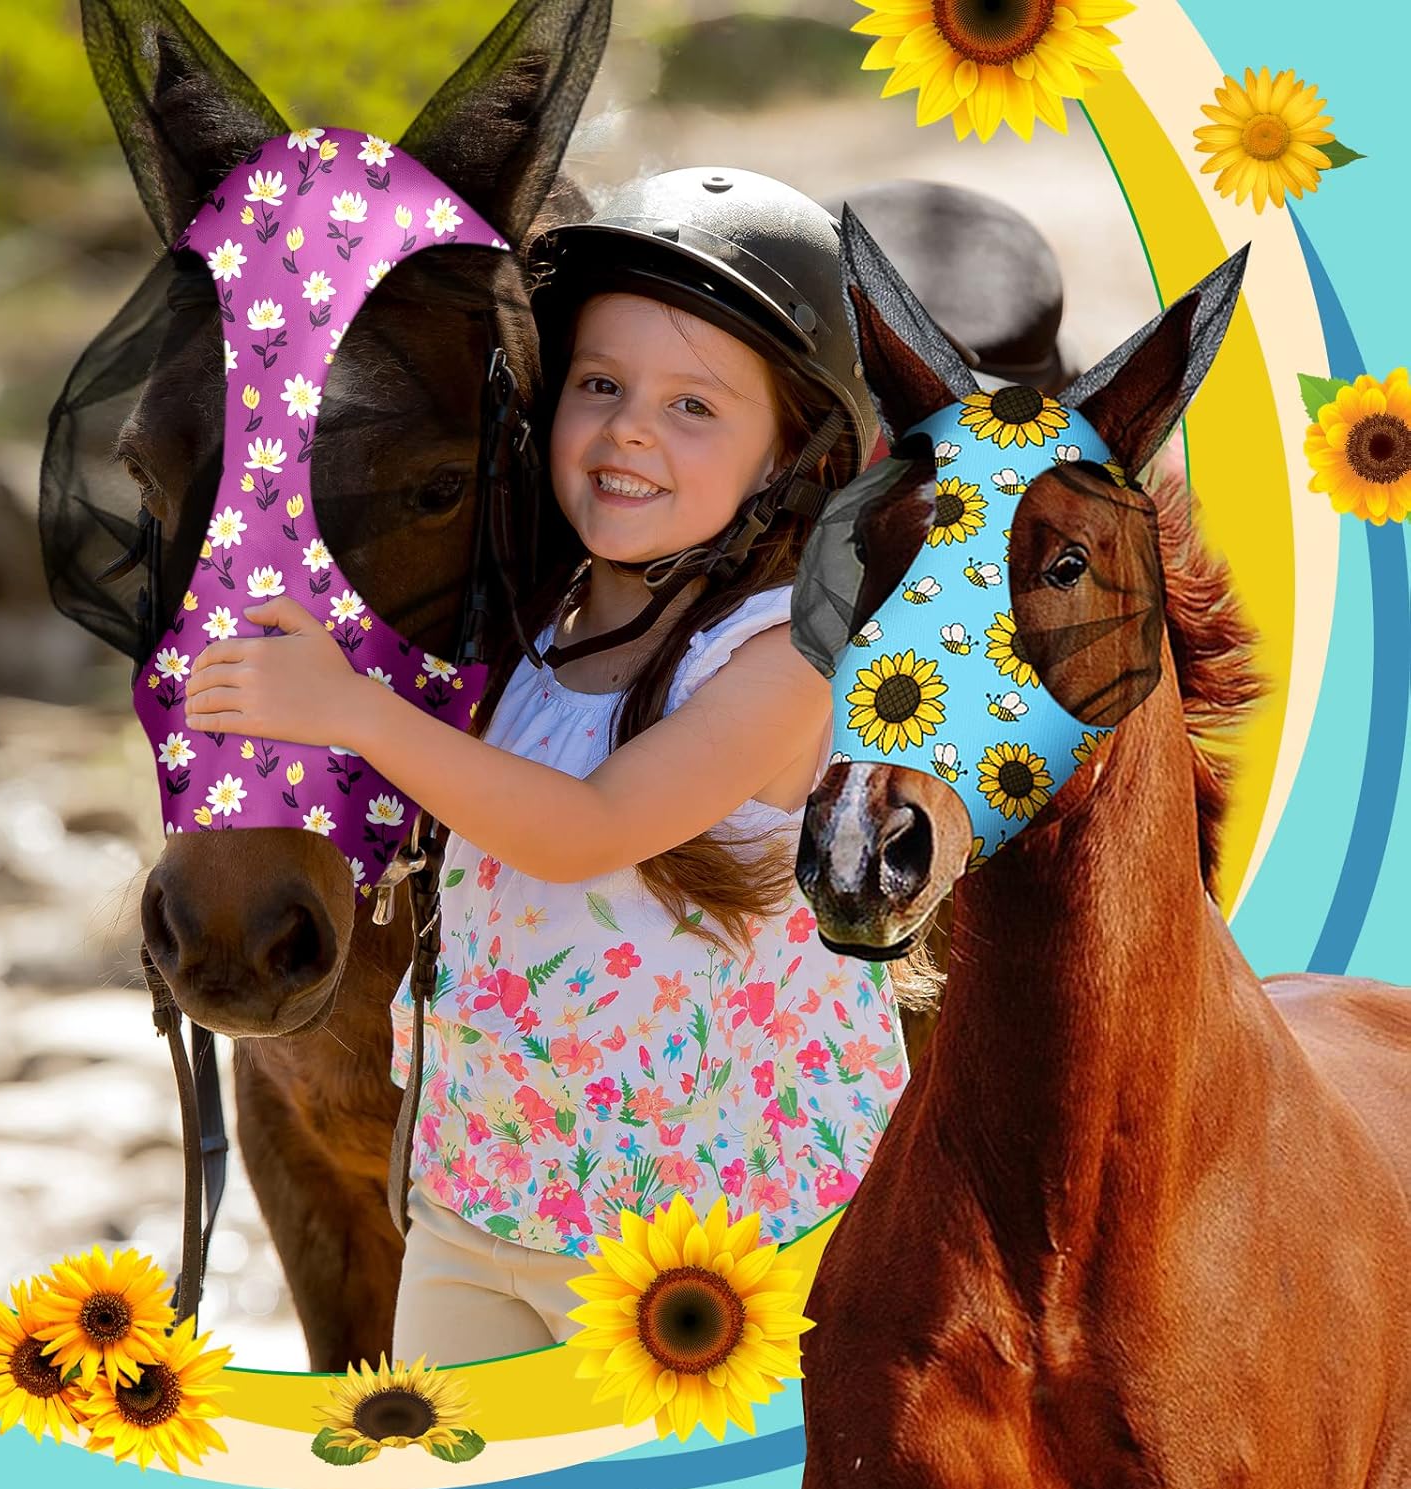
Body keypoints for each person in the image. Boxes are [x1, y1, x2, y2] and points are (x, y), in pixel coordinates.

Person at [182, 167, 920, 1364]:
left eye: (694, 407)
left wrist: (356, 712)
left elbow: (583, 829)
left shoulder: (781, 661)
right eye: (600, 384)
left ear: (794, 459)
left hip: (700, 1234)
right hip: (484, 1200)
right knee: (438, 1448)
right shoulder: (529, 626)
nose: (629, 429)